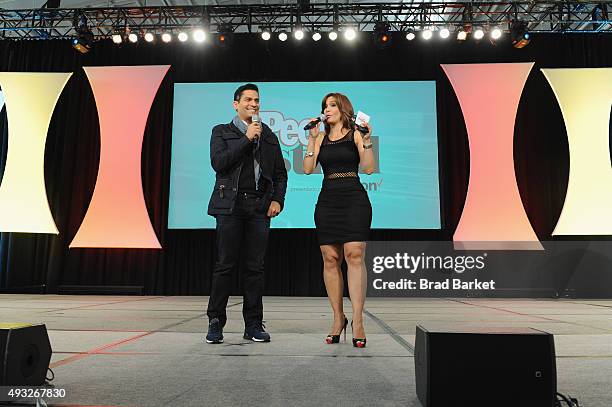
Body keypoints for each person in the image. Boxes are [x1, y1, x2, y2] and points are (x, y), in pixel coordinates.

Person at [206, 83, 288, 344]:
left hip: (258, 207)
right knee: (225, 265)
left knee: (255, 268)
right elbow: (219, 163)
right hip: (229, 205)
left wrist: (277, 200)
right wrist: (246, 139)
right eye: (249, 100)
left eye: (257, 101)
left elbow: (280, 174)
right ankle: (215, 321)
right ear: (236, 104)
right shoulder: (222, 132)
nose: (254, 104)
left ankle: (253, 323)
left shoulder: (268, 136)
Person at [303, 93, 375, 348]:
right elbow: (309, 168)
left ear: (343, 108)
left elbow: (367, 168)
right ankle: (338, 318)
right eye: (324, 106)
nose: (327, 109)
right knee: (330, 259)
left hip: (354, 198)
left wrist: (366, 141)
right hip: (328, 200)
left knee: (354, 254)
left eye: (332, 105)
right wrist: (311, 140)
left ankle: (357, 320)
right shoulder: (320, 137)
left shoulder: (355, 133)